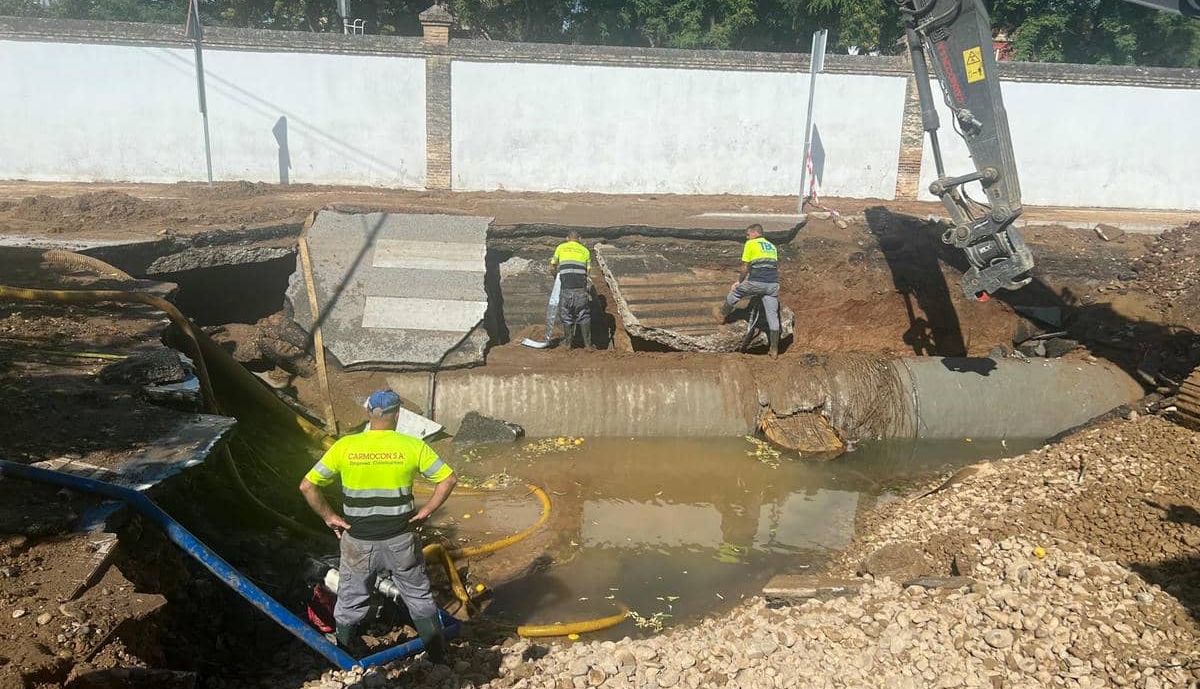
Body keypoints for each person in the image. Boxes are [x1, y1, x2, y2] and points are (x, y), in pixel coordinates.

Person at [299, 389, 458, 661]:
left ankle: (346, 658)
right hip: (400, 539)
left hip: (358, 541)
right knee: (419, 597)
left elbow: (307, 485)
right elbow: (448, 479)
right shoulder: (412, 446)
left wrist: (330, 517)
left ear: (368, 413)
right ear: (397, 414)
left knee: (351, 599)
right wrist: (427, 511)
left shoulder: (345, 447)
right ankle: (438, 655)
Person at [721, 224, 782, 358]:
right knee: (773, 316)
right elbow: (768, 267)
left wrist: (740, 282)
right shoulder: (772, 246)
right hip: (772, 285)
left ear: (755, 233)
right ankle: (774, 349)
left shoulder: (751, 244)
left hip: (756, 283)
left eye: (748, 234)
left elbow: (744, 268)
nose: (746, 237)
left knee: (736, 292)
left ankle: (722, 315)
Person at [549, 230, 594, 349]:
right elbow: (588, 272)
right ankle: (588, 345)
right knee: (584, 315)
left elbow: (552, 265)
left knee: (566, 315)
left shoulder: (561, 247)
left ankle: (568, 344)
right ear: (579, 238)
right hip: (580, 290)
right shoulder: (585, 251)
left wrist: (556, 276)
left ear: (567, 238)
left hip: (566, 289)